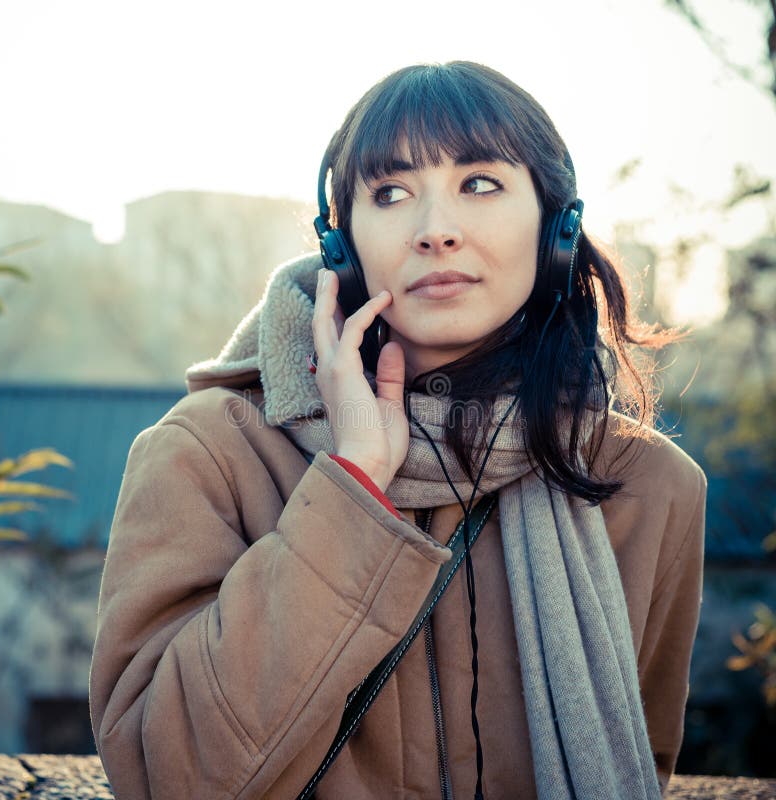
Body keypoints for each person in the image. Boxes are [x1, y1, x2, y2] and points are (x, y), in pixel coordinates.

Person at [89, 61, 706, 800]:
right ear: (340, 246)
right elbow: (165, 777)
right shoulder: (209, 453)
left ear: (557, 225)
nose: (435, 231)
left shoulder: (650, 488)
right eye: (389, 193)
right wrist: (351, 489)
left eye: (479, 183)